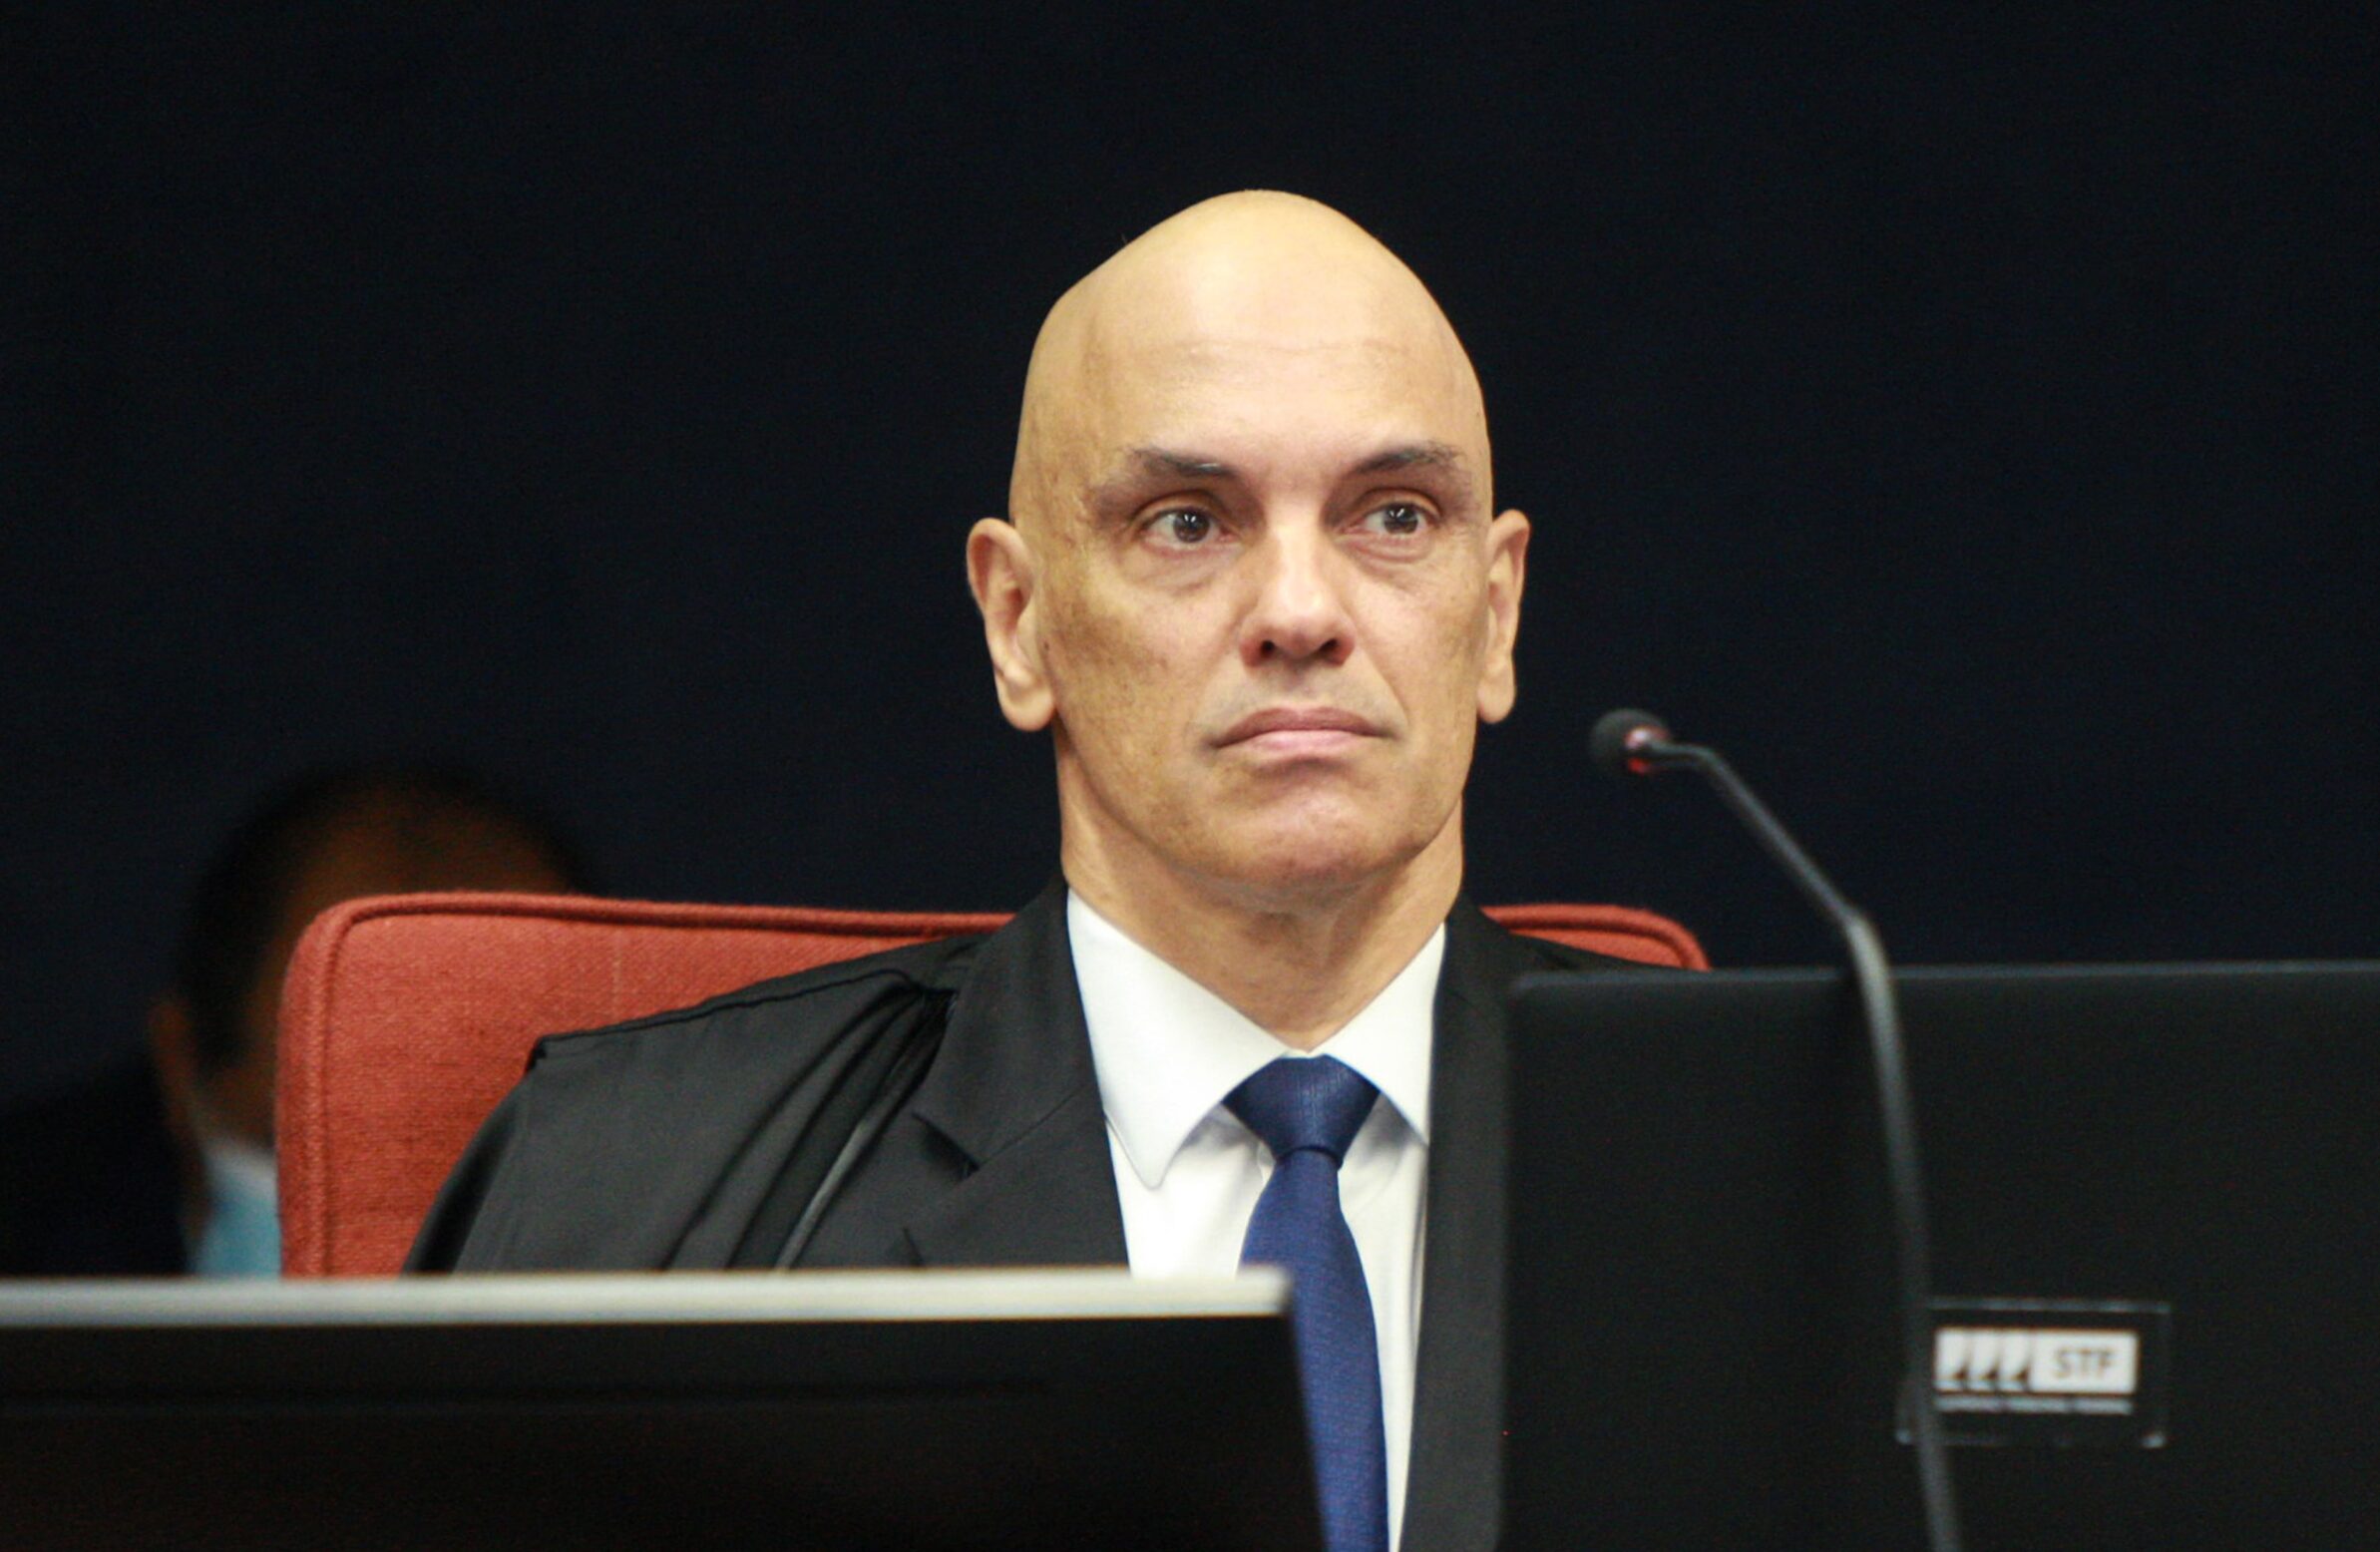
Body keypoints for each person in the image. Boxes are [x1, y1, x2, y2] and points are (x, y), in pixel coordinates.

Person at [413, 192, 1676, 1552]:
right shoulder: (633, 1187)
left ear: (1496, 611)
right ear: (1019, 623)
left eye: (1395, 515)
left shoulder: (1782, 1179)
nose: (1302, 612)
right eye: (1187, 522)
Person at [147, 764, 589, 1275]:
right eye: (319, 1164)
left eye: (491, 1171)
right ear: (179, 1067)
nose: (409, 1264)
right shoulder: (64, 1245)